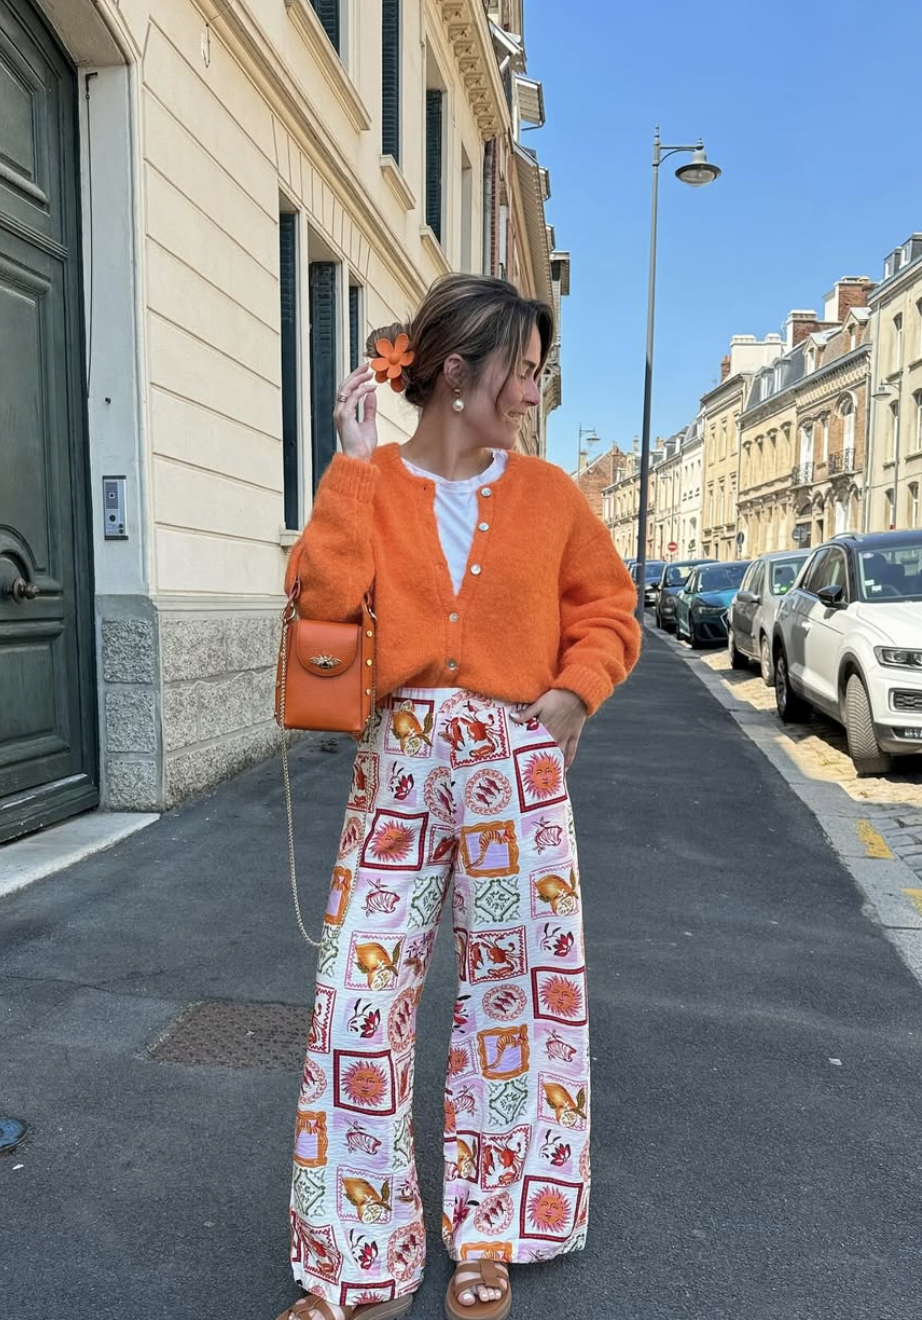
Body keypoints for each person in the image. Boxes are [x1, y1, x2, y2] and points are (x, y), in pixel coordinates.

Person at [277, 274, 640, 1320]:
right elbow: (325, 601)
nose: (531, 394)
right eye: (520, 373)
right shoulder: (374, 481)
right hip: (398, 754)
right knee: (355, 995)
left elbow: (609, 611)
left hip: (515, 760)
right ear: (454, 373)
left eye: (537, 374)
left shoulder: (551, 498)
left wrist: (571, 700)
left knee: (515, 999)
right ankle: (354, 1253)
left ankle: (494, 1231)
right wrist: (347, 474)